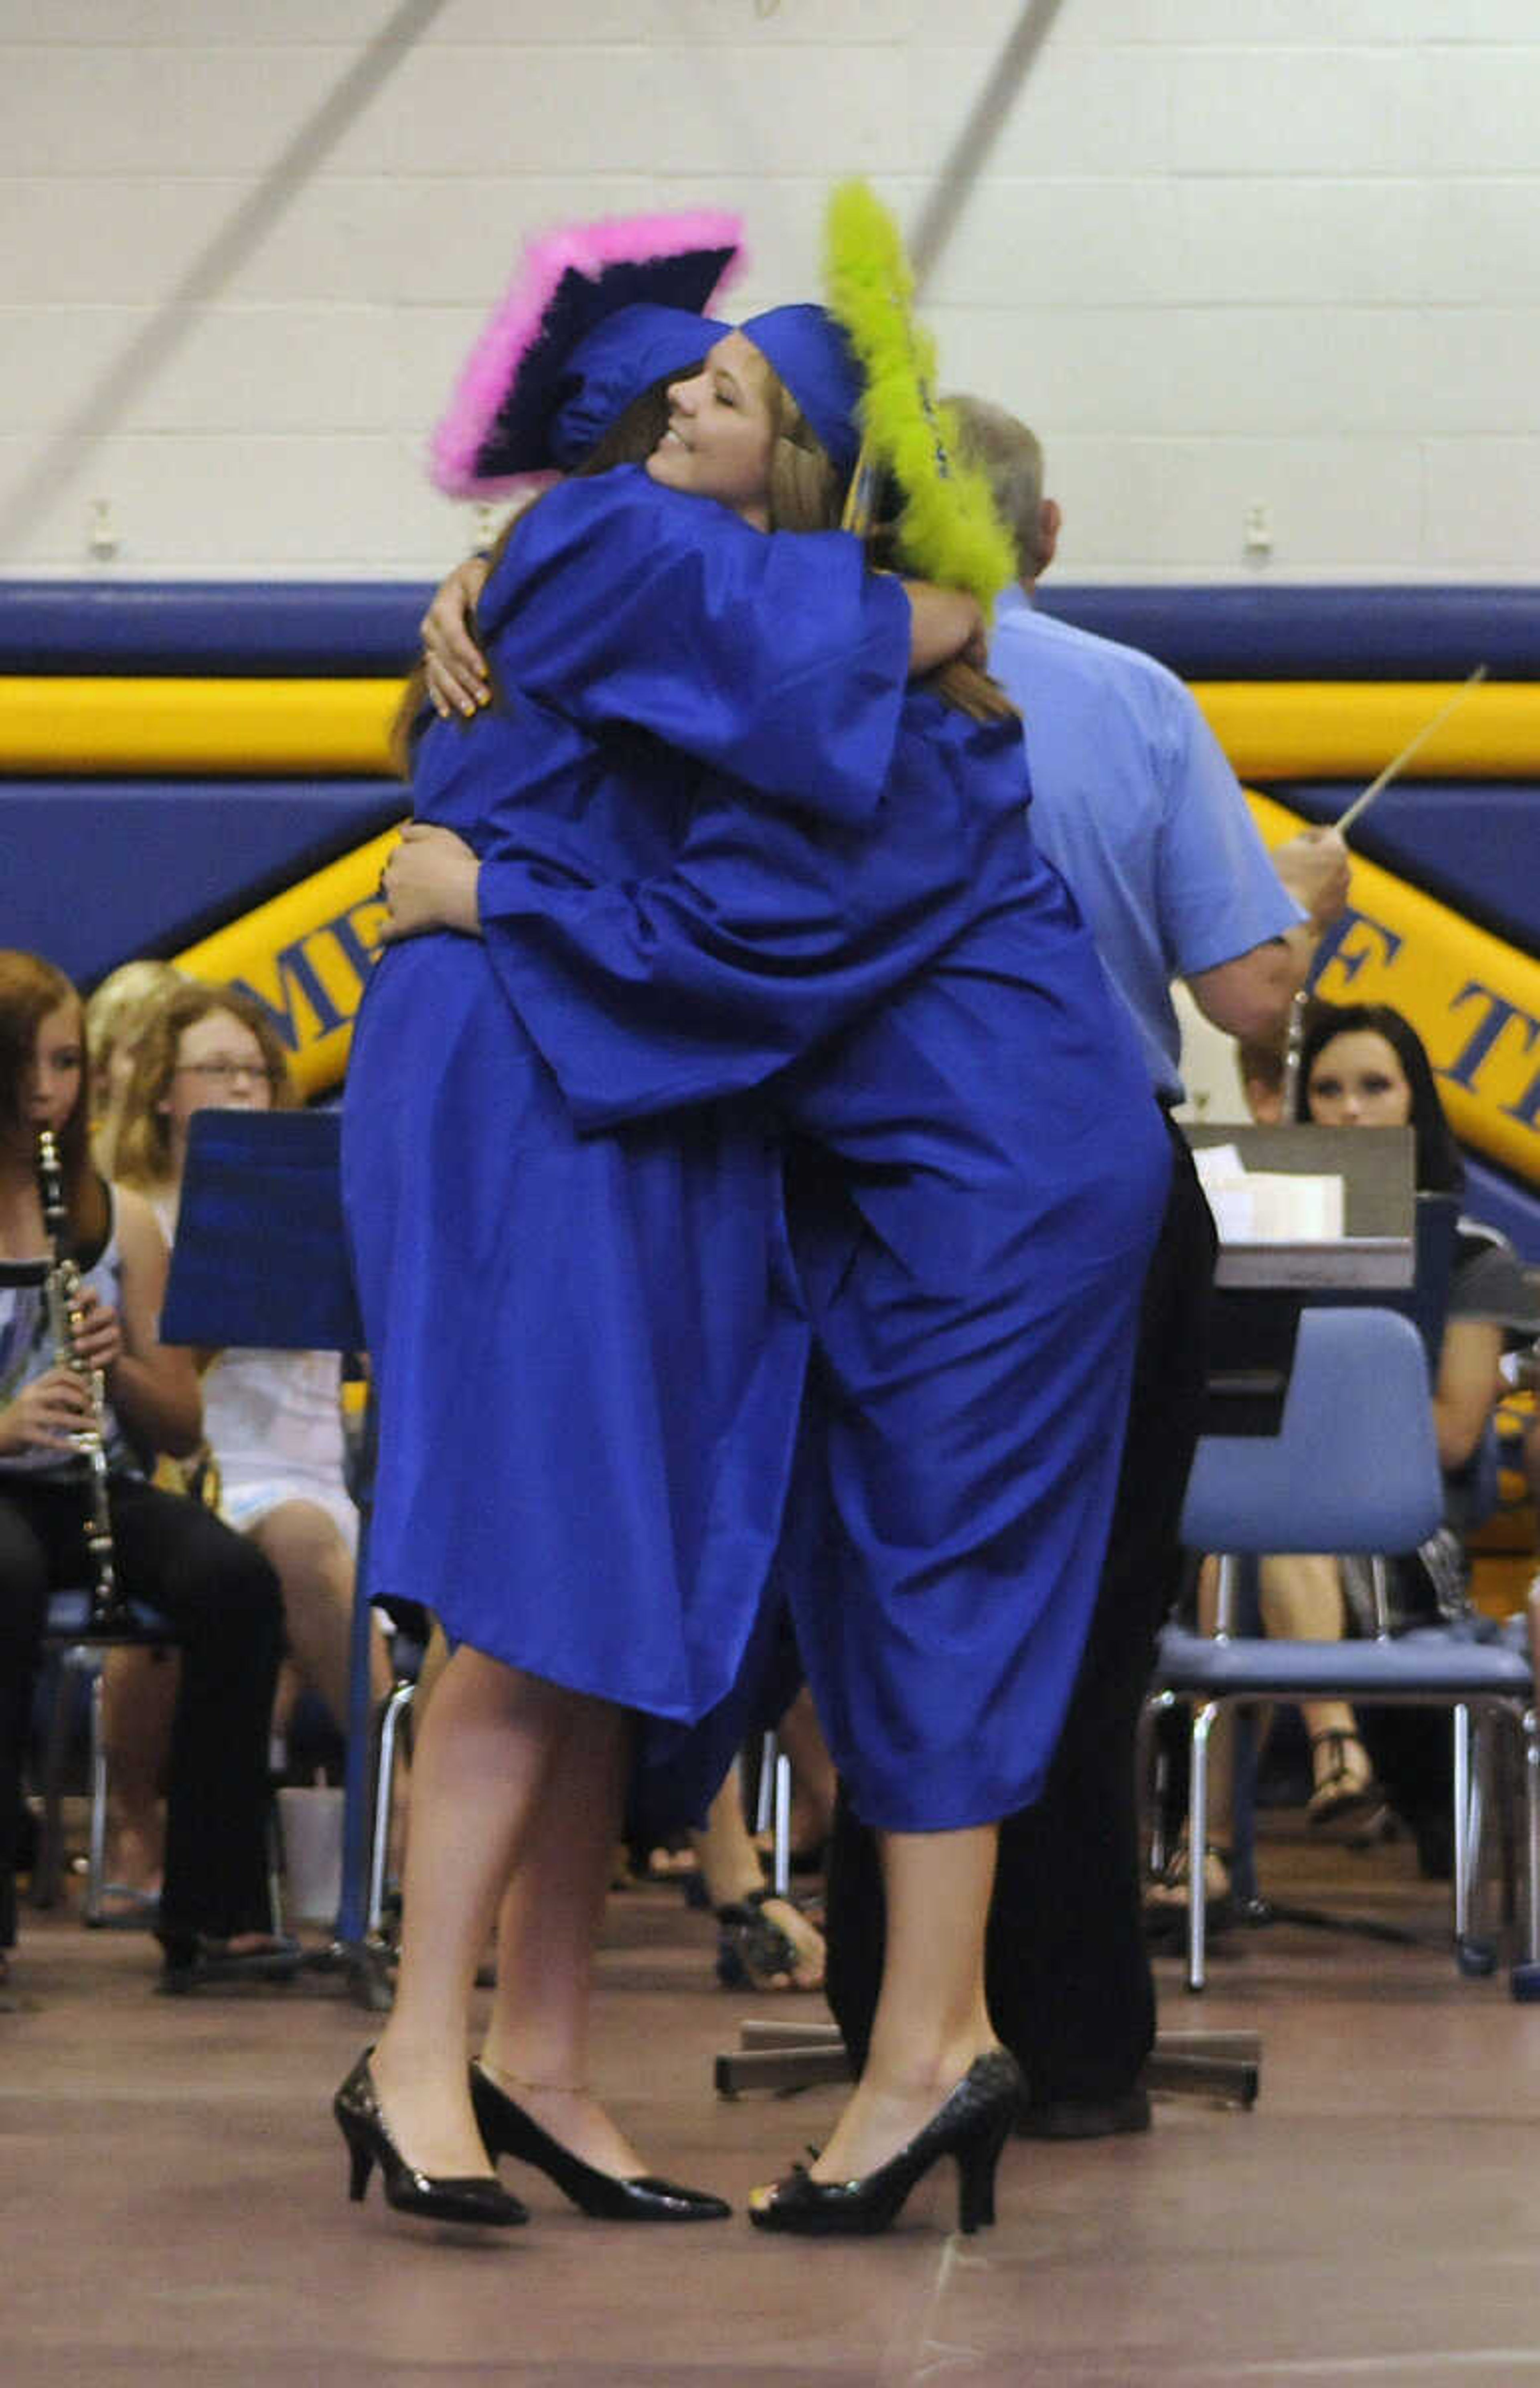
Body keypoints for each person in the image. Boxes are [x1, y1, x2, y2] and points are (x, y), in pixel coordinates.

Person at [342, 205, 1167, 2238]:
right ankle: (495, 2055)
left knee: (880, 1585)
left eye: (722, 395)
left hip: (947, 1167)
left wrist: (497, 885)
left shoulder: (839, 700)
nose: (666, 411)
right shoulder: (648, 560)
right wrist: (513, 578)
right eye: (670, 389)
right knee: (583, 1570)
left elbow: (746, 938)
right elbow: (635, 593)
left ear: (796, 480)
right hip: (681, 1109)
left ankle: (912, 2051)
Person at [0, 950, 293, 1991]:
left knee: (234, 1582)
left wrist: (119, 1357)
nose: (52, 1089)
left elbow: (178, 1424)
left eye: (69, 1063)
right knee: (8, 1578)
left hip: (92, 1481)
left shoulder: (116, 1216)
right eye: (32, 1063)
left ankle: (214, 1906)